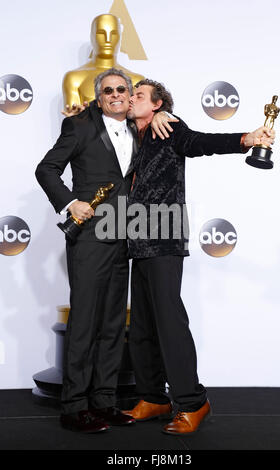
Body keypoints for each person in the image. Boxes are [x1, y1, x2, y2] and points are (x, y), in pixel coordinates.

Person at [124, 79, 275, 435]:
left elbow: (201, 143)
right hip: (135, 240)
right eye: (130, 95)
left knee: (169, 322)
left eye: (139, 95)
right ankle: (153, 397)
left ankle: (193, 402)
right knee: (142, 324)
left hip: (163, 237)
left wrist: (245, 140)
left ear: (158, 104)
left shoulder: (170, 127)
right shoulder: (130, 134)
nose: (130, 99)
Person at [35, 68, 168, 433]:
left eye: (121, 89)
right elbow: (46, 169)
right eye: (107, 90)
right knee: (84, 323)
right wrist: (70, 203)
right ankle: (74, 406)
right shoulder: (79, 126)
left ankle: (104, 401)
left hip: (125, 236)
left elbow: (164, 119)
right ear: (99, 96)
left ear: (129, 94)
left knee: (112, 324)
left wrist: (165, 112)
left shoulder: (139, 128)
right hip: (90, 237)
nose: (114, 95)